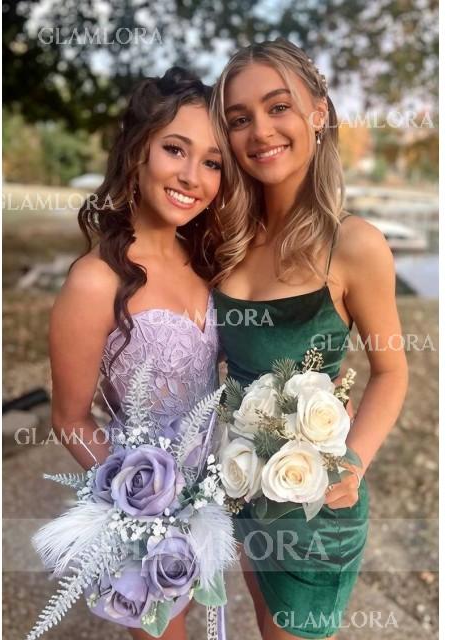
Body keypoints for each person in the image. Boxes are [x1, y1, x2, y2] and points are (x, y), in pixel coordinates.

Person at [210, 39, 408, 639]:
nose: (260, 131)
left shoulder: (355, 244)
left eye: (278, 107)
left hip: (315, 506)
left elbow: (392, 372)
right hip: (243, 490)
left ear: (318, 113)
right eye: (239, 119)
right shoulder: (223, 240)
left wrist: (353, 463)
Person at [49, 67, 225, 640]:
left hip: (210, 507)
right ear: (138, 152)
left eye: (212, 162)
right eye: (175, 149)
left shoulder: (208, 263)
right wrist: (144, 507)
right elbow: (69, 418)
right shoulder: (95, 281)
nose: (191, 176)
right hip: (145, 522)